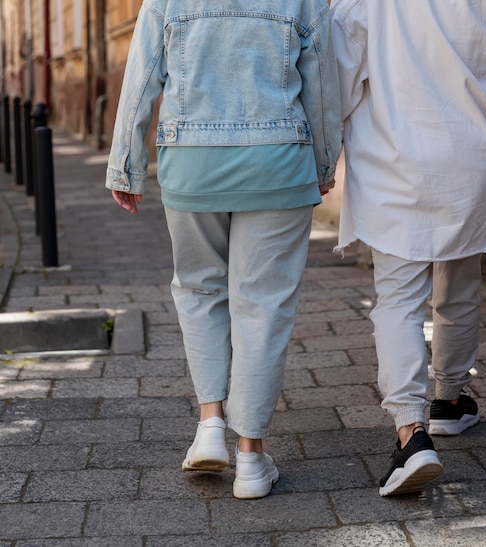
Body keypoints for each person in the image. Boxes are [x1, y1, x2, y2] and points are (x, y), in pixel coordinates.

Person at [106, 0, 341, 499]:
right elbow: (322, 84)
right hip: (278, 162)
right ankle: (251, 461)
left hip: (192, 163)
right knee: (264, 305)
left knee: (198, 290)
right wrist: (323, 165)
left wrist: (125, 164)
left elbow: (143, 74)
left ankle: (210, 424)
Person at [330, 0, 486, 496]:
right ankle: (450, 399)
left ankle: (412, 434)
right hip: (468, 147)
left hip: (395, 154)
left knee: (398, 299)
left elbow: (342, 76)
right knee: (459, 280)